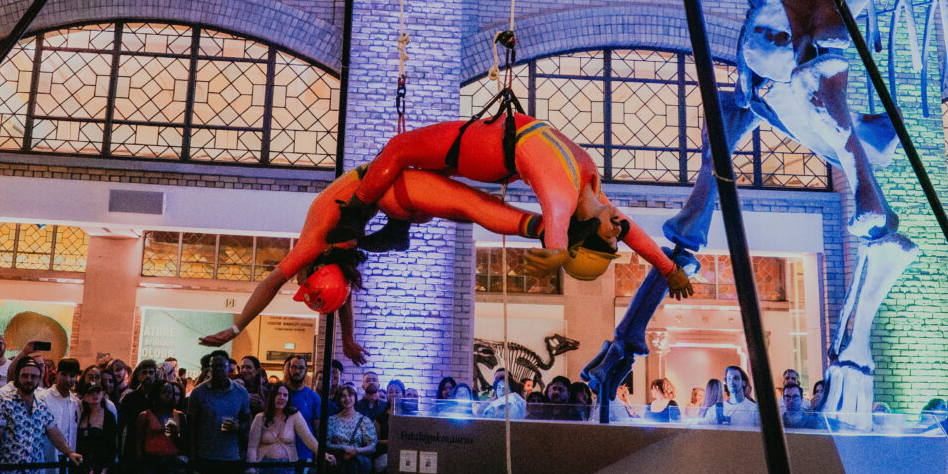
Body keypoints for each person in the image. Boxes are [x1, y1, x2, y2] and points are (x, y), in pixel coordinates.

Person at [203, 156, 690, 363]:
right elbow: (343, 290)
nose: (617, 227)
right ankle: (546, 231)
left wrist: (237, 325)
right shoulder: (334, 260)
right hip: (393, 201)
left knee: (473, 208)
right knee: (466, 211)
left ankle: (545, 232)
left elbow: (270, 282)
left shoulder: (316, 241)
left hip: (395, 191)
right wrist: (347, 336)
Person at [185, 351, 252, 474]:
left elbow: (248, 420)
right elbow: (191, 427)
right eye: (214, 366)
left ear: (228, 368)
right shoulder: (199, 393)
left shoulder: (240, 393)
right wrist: (192, 457)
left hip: (230, 460)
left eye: (222, 366)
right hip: (205, 459)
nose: (218, 370)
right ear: (209, 369)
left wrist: (238, 428)